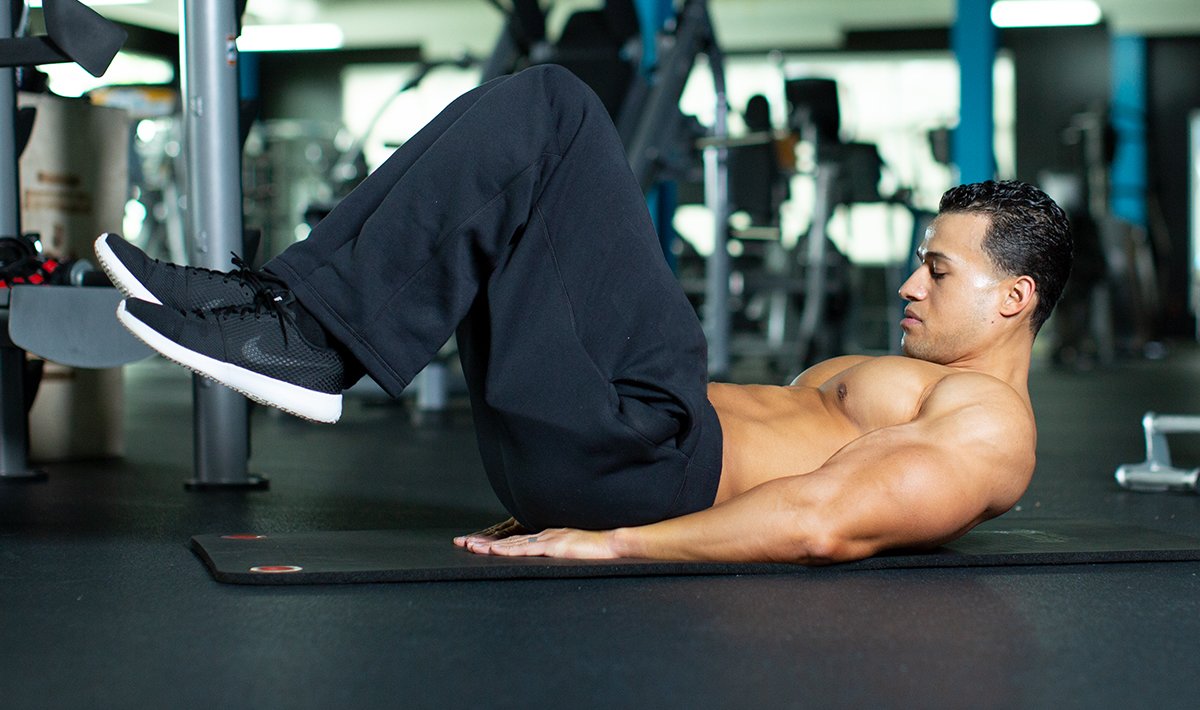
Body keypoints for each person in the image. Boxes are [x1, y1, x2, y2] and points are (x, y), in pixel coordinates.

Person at [95, 65, 1072, 565]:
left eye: (937, 270)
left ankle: (304, 337)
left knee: (557, 111)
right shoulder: (932, 393)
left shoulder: (991, 427)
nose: (909, 283)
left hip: (648, 460)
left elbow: (825, 521)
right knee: (514, 197)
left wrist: (612, 540)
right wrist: (564, 501)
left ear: (1013, 298)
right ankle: (286, 307)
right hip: (600, 458)